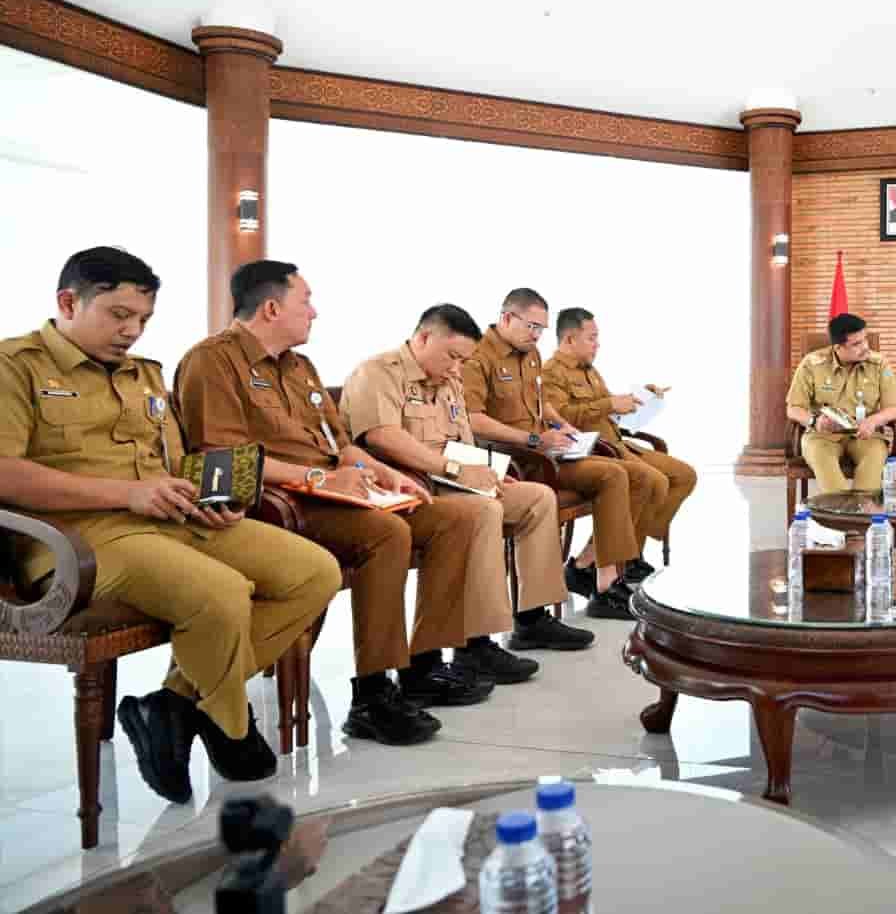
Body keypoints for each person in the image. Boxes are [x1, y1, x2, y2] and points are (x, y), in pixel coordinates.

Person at [0, 248, 339, 803]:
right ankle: (231, 726)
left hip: (168, 518)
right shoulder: (15, 366)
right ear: (68, 302)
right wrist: (128, 494)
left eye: (143, 319)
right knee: (221, 592)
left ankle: (173, 704)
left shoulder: (145, 375)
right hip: (77, 537)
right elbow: (6, 473)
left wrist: (209, 497)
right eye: (118, 315)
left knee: (314, 572)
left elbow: (175, 462)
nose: (132, 331)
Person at [174, 261, 503, 749]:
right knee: (387, 534)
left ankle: (423, 664)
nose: (314, 312)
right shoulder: (212, 362)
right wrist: (321, 478)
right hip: (283, 502)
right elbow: (222, 459)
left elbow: (340, 443)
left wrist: (384, 472)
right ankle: (372, 694)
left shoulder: (300, 367)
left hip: (337, 490)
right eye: (305, 301)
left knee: (461, 516)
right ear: (271, 308)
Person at [340, 303, 593, 661]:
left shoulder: (449, 379)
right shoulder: (378, 372)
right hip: (411, 485)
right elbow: (384, 438)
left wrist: (489, 471)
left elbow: (463, 440)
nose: (457, 369)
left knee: (537, 498)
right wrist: (458, 471)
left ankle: (532, 619)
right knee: (484, 510)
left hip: (453, 478)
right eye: (453, 357)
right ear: (424, 338)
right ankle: (475, 643)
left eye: (463, 360)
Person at [461, 288, 640, 623]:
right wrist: (532, 440)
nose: (537, 335)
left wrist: (563, 426)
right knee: (613, 474)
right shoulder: (476, 356)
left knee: (622, 472)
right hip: (518, 459)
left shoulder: (530, 353)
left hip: (547, 450)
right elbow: (474, 420)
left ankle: (603, 579)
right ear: (507, 318)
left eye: (541, 329)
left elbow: (542, 402)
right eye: (532, 326)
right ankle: (599, 585)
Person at [542, 307, 697, 612]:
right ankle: (613, 560)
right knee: (652, 481)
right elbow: (563, 418)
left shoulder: (589, 370)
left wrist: (639, 398)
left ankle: (625, 552)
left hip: (618, 441)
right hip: (598, 450)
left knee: (684, 475)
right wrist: (610, 404)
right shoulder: (551, 373)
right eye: (591, 338)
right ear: (570, 339)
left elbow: (606, 408)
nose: (597, 344)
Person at [784, 312, 896, 495]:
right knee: (822, 457)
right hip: (823, 434)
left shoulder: (879, 364)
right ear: (838, 347)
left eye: (865, 340)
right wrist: (815, 421)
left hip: (865, 433)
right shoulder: (811, 364)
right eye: (856, 344)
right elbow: (793, 409)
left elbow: (895, 409)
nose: (865, 347)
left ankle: (862, 507)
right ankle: (841, 508)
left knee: (875, 455)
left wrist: (873, 421)